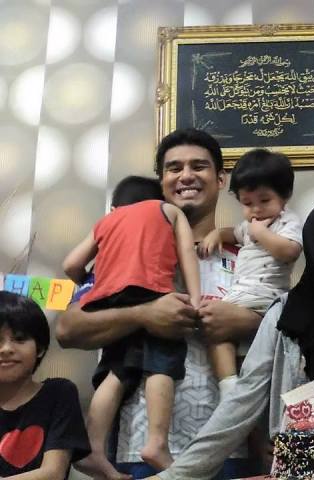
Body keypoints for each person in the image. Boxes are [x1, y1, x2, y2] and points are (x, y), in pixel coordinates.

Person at [143, 199, 314, 480]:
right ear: (312, 253)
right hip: (299, 470)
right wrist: (178, 475)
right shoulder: (284, 314)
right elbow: (243, 400)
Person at [55, 128, 262, 479]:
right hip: (137, 451)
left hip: (233, 448)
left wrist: (245, 321)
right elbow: (67, 329)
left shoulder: (250, 256)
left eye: (199, 166)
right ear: (162, 182)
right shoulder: (119, 258)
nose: (186, 175)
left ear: (220, 179)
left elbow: (283, 329)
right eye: (174, 168)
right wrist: (143, 314)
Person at [62, 175, 201, 478]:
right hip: (151, 291)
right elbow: (187, 253)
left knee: (117, 370)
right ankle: (157, 443)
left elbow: (70, 264)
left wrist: (94, 282)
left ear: (115, 207)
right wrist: (194, 299)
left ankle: (93, 448)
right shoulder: (168, 210)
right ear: (159, 199)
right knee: (162, 361)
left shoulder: (106, 221)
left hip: (107, 300)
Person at [198, 149, 302, 399]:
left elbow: (290, 251)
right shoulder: (249, 226)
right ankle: (229, 385)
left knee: (215, 321)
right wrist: (216, 234)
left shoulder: (287, 221)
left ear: (285, 196)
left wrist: (261, 233)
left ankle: (240, 387)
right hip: (241, 295)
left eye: (264, 200)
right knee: (214, 331)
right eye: (247, 203)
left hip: (267, 298)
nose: (256, 209)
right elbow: (232, 232)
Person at [0, 291, 90, 479]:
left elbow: (53, 473)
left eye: (19, 338)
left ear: (39, 348)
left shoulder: (59, 394)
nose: (6, 349)